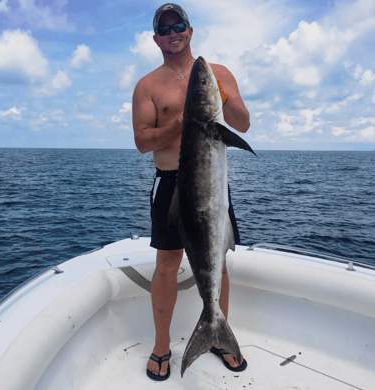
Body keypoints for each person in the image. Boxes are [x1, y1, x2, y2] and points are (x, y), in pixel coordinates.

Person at [132, 3, 250, 381]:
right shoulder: (147, 86)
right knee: (167, 264)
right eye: (164, 29)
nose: (173, 33)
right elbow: (142, 141)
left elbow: (243, 125)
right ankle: (162, 347)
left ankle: (218, 334)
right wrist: (182, 122)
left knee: (219, 259)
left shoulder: (216, 75)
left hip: (211, 184)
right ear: (156, 39)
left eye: (178, 25)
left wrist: (217, 99)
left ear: (190, 30)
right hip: (170, 183)